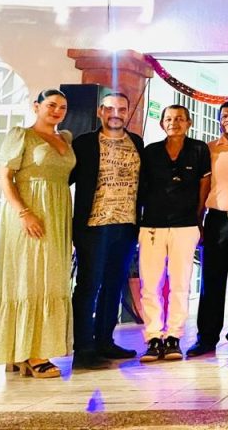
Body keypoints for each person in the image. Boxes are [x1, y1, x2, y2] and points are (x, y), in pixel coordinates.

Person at [0, 89, 75, 378]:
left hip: (57, 213)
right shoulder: (21, 135)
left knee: (52, 278)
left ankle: (24, 350)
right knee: (30, 278)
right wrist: (24, 213)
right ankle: (31, 353)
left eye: (62, 107)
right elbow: (5, 178)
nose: (57, 111)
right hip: (29, 212)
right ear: (36, 106)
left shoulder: (66, 138)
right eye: (51, 105)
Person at [70, 91, 144, 370]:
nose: (116, 114)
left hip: (126, 227)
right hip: (93, 227)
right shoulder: (84, 143)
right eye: (110, 109)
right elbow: (64, 179)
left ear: (127, 113)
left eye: (122, 109)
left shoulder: (136, 142)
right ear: (100, 111)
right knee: (88, 286)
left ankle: (105, 341)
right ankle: (84, 348)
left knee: (114, 285)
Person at [137, 104, 211, 362]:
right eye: (168, 119)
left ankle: (173, 337)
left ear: (188, 123)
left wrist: (198, 217)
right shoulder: (151, 151)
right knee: (150, 284)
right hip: (152, 224)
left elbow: (204, 183)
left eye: (179, 119)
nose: (174, 123)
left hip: (186, 225)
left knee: (180, 283)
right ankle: (153, 337)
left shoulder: (199, 149)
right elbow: (141, 187)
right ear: (162, 124)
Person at [187, 101, 228, 358]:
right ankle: (206, 338)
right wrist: (198, 220)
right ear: (219, 121)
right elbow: (202, 186)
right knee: (211, 281)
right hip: (216, 220)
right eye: (224, 116)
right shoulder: (209, 149)